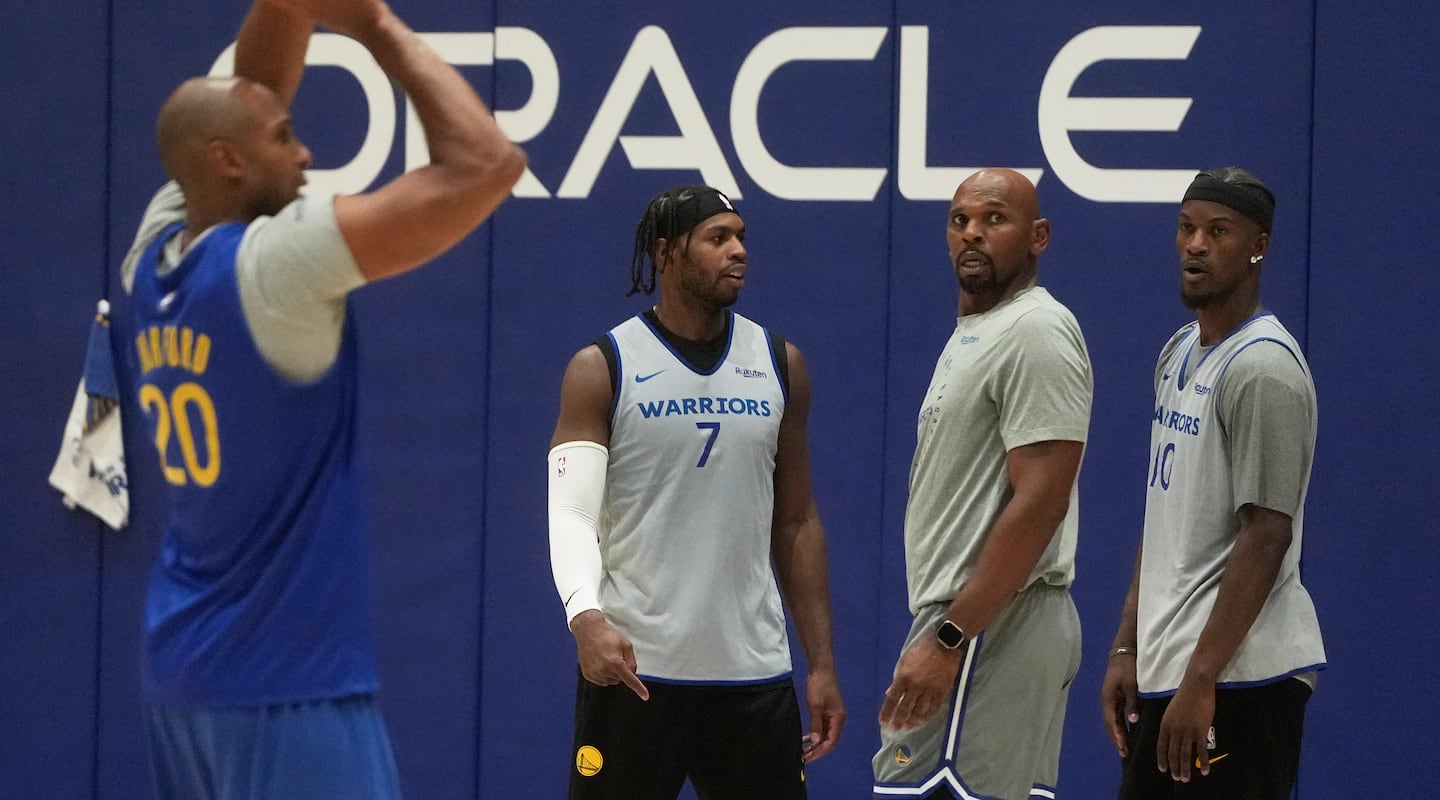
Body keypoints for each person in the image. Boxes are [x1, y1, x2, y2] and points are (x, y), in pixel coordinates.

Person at [120, 0, 527, 800]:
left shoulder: (150, 255)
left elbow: (248, 96)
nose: (305, 154)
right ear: (227, 164)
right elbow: (485, 165)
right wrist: (365, 15)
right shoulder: (276, 268)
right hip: (288, 686)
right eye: (288, 138)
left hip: (183, 676)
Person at [546, 184, 846, 800]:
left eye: (741, 237)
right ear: (667, 253)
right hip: (635, 671)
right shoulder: (603, 366)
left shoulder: (780, 363)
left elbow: (795, 522)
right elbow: (571, 513)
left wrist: (821, 664)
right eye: (718, 238)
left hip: (754, 674)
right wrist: (585, 618)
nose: (738, 251)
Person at [1100, 167, 1325, 798]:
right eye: (1186, 228)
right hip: (1170, 669)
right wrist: (1127, 646)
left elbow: (1267, 533)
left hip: (1238, 680)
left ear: (1259, 246)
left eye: (1217, 231)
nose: (1195, 245)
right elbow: (1164, 515)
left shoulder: (1263, 369)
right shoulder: (1178, 351)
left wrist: (1203, 677)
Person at [873, 168, 1093, 800]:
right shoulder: (980, 331)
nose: (972, 233)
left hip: (990, 625)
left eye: (994, 219)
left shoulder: (1035, 331)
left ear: (1038, 236)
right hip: (988, 622)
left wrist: (948, 638)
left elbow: (1044, 499)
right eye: (959, 219)